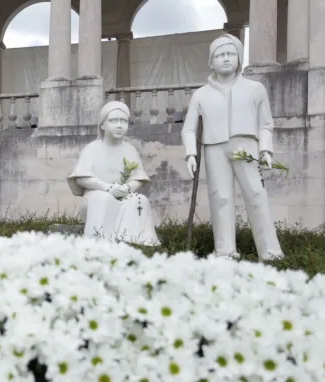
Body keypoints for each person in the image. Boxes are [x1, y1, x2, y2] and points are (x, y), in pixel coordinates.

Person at [181, 34, 283, 261]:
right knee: (221, 197)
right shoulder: (201, 94)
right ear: (211, 61)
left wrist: (265, 149)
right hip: (214, 148)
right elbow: (189, 129)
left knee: (256, 193)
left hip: (246, 145)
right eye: (219, 55)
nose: (225, 59)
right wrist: (190, 152)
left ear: (239, 57)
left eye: (230, 54)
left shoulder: (255, 89)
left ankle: (270, 249)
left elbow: (266, 123)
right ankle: (225, 249)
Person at [67, 101, 161, 246]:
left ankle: (136, 243)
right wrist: (107, 188)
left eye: (123, 121)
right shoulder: (92, 149)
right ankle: (96, 244)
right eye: (113, 120)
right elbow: (81, 178)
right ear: (102, 125)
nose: (119, 125)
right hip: (95, 198)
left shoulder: (130, 150)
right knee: (102, 198)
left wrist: (127, 189)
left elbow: (138, 178)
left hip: (123, 197)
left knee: (140, 200)